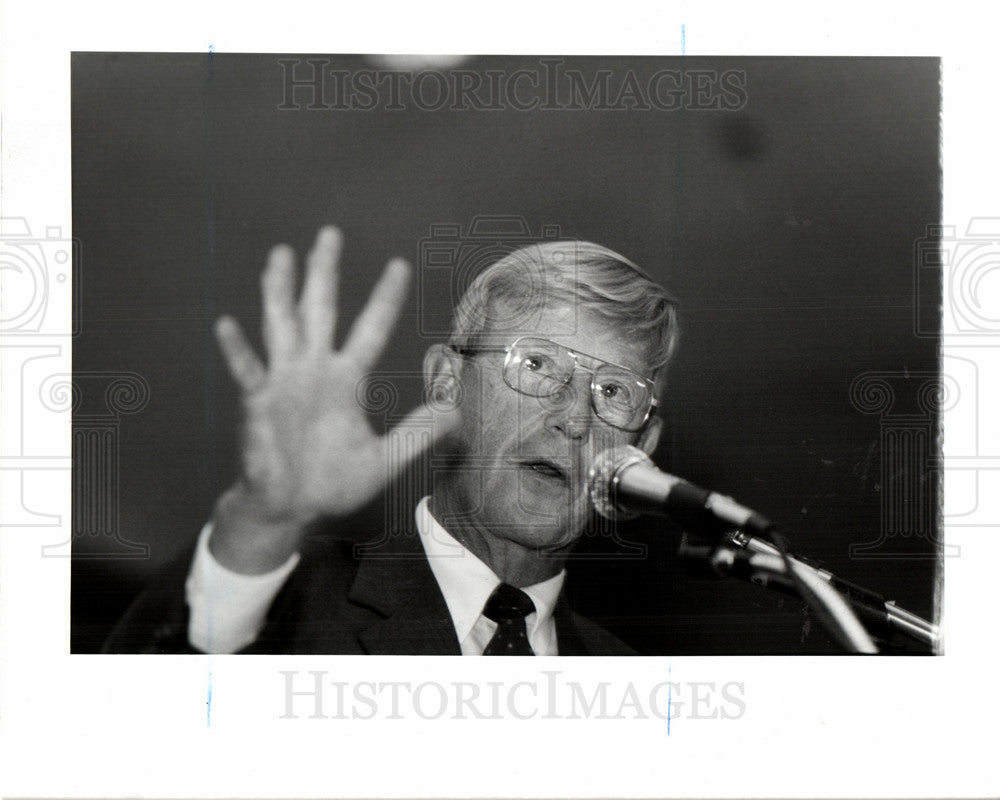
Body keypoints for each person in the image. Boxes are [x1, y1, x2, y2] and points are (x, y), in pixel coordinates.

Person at [105, 226, 679, 655]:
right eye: (536, 365)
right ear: (446, 385)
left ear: (642, 446)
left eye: (613, 391)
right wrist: (262, 520)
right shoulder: (292, 603)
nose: (574, 419)